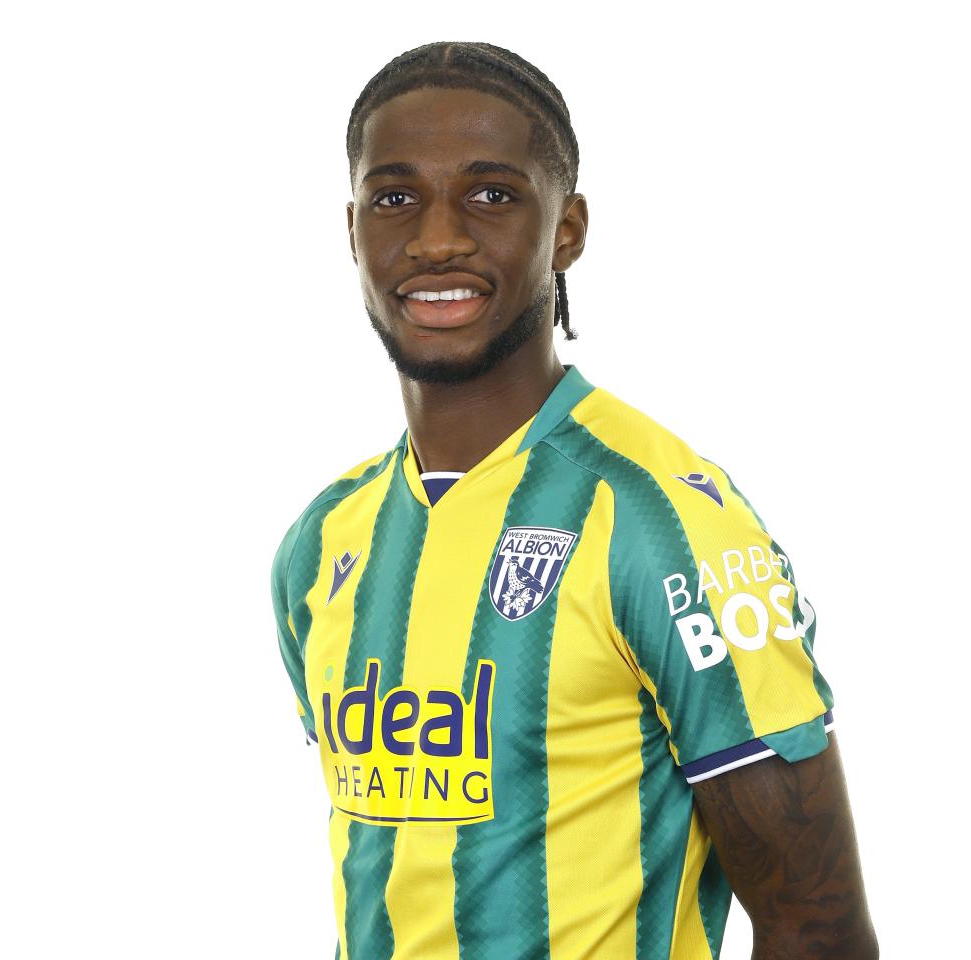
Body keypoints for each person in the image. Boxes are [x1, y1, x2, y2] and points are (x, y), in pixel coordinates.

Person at [270, 41, 878, 960]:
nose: (438, 237)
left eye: (491, 194)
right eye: (395, 197)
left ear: (567, 229)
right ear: (352, 228)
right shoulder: (321, 544)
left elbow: (817, 928)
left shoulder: (662, 520)